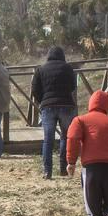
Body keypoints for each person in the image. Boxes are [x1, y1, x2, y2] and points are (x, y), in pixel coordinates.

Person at [30, 46, 77, 179]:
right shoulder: (68, 68)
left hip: (48, 107)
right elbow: (73, 86)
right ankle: (63, 168)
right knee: (65, 137)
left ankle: (47, 171)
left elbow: (34, 89)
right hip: (66, 105)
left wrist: (43, 100)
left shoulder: (41, 69)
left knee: (48, 140)